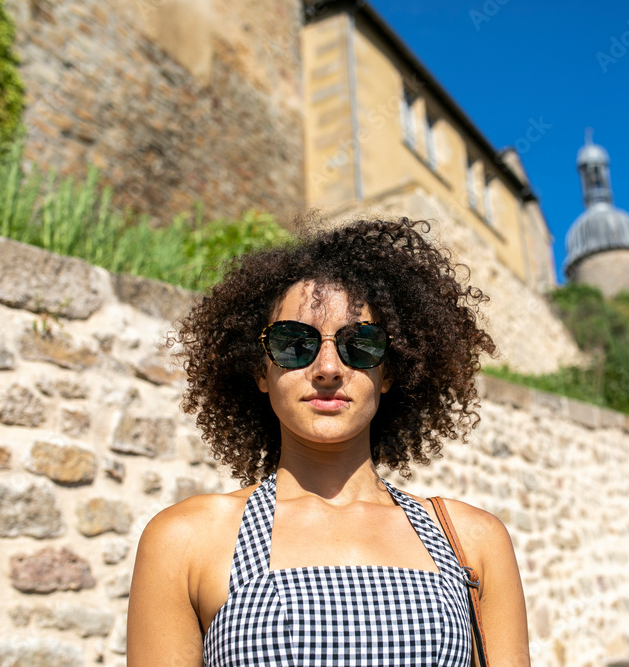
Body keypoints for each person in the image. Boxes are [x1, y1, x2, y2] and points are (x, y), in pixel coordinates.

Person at [127, 216, 531, 666]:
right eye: (293, 343)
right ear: (260, 370)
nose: (327, 368)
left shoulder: (475, 543)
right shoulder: (184, 540)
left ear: (390, 372)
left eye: (359, 344)